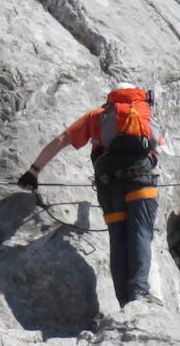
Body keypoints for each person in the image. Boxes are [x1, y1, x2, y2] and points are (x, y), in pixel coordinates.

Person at [17, 85, 160, 307]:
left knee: (118, 239)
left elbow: (62, 140)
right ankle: (139, 295)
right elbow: (155, 145)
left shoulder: (98, 116)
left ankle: (125, 302)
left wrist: (33, 171)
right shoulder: (143, 112)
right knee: (140, 234)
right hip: (141, 182)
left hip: (108, 185)